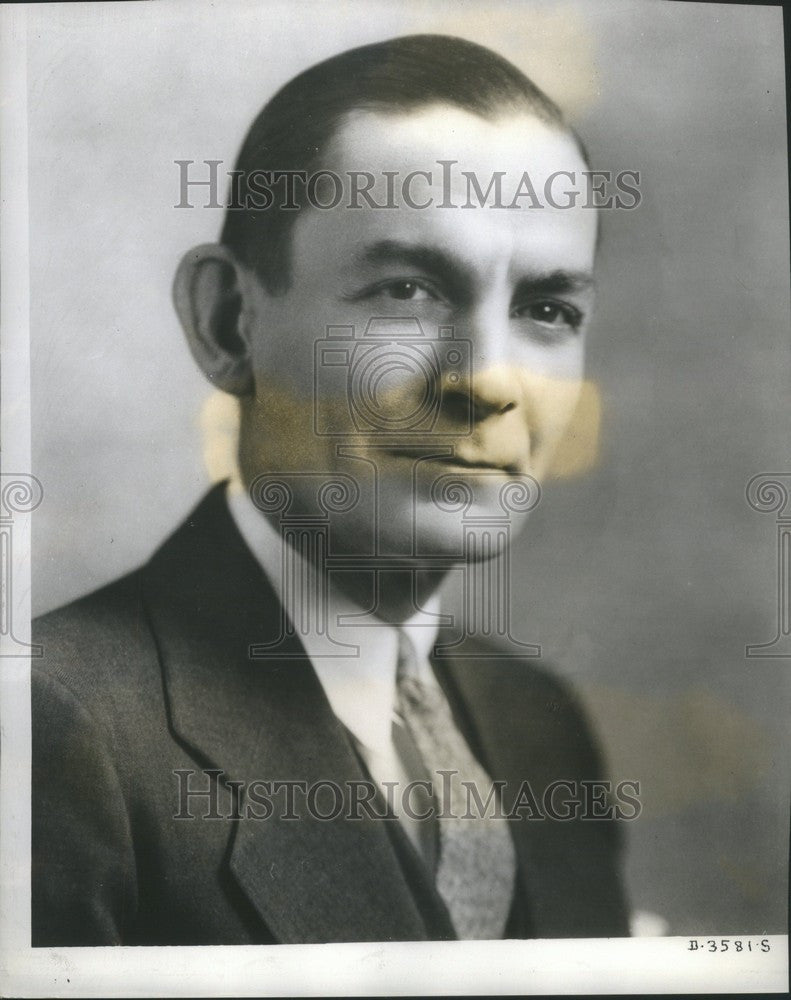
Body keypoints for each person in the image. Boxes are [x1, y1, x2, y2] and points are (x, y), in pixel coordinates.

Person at [32, 33, 630, 946]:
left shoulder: (536, 722)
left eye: (547, 311)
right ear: (229, 323)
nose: (490, 380)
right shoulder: (50, 729)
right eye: (406, 290)